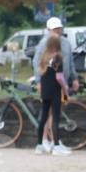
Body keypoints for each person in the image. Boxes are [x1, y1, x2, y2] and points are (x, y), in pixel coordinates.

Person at [32, 16, 78, 151]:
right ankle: (46, 140)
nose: (58, 31)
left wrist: (74, 78)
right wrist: (38, 80)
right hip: (53, 83)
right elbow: (36, 63)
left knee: (52, 113)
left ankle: (52, 140)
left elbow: (70, 62)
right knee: (49, 113)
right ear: (49, 29)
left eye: (59, 28)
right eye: (55, 29)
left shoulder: (65, 43)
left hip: (58, 82)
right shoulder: (44, 44)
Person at [34, 35, 71, 155]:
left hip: (45, 90)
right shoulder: (57, 57)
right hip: (55, 90)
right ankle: (56, 145)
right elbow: (59, 76)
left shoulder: (44, 57)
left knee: (43, 117)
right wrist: (65, 87)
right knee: (55, 118)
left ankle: (39, 145)